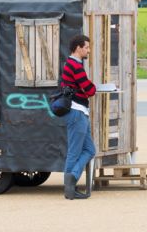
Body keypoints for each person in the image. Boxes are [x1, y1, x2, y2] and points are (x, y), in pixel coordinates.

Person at [61, 35, 97, 200]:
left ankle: (72, 178)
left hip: (80, 111)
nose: (88, 50)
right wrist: (91, 87)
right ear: (78, 48)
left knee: (90, 150)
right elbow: (89, 89)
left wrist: (87, 87)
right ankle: (70, 186)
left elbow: (85, 88)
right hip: (77, 112)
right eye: (87, 47)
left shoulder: (72, 64)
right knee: (74, 152)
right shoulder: (76, 66)